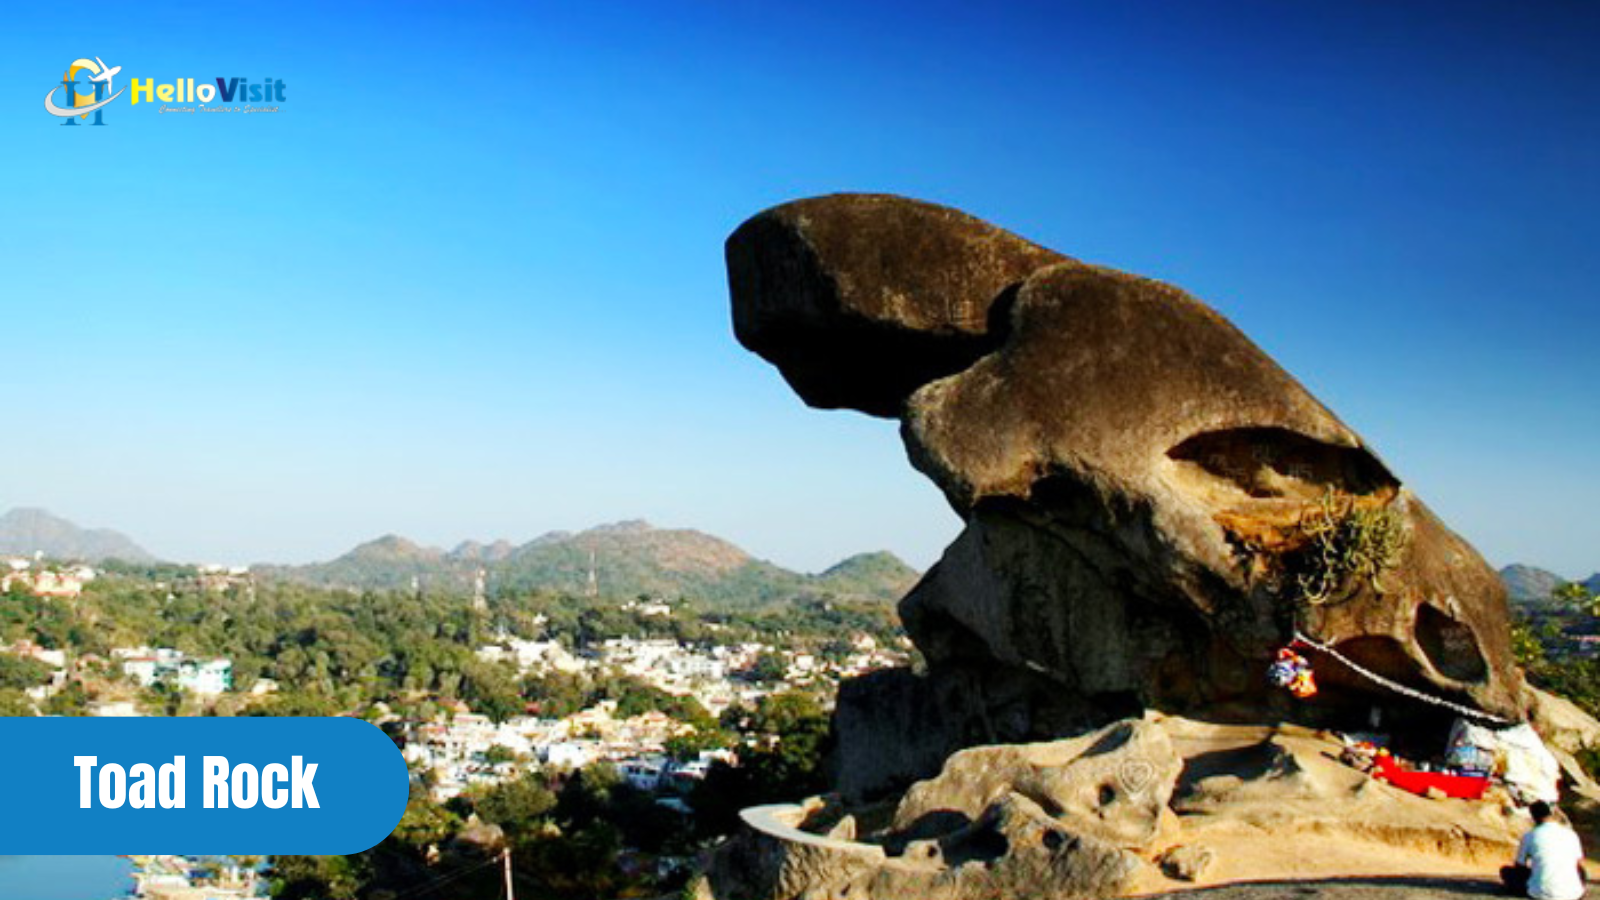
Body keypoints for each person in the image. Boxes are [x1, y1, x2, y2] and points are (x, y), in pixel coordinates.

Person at [1501, 801, 1587, 899]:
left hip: (1540, 893)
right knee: (1581, 871)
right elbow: (1579, 863)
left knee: (1506, 871)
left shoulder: (1530, 835)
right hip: (1573, 894)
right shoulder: (1571, 834)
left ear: (1533, 818)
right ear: (1550, 814)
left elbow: (1519, 865)